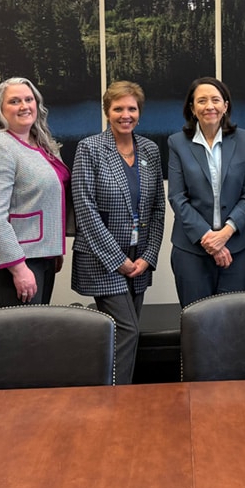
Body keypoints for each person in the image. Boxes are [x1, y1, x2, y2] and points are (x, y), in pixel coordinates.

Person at [71, 81, 165, 384]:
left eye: (132, 108)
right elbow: (84, 209)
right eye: (118, 108)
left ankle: (116, 392)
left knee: (126, 331)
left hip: (139, 259)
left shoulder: (149, 149)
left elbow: (157, 209)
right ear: (107, 112)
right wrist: (118, 259)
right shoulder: (90, 148)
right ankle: (117, 399)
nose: (126, 114)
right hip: (103, 260)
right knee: (127, 329)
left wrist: (148, 256)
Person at [0, 77, 70, 308]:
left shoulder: (41, 143)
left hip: (39, 253)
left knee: (34, 334)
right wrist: (18, 267)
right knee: (19, 338)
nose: (24, 106)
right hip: (9, 260)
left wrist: (52, 247)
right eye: (14, 101)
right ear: (0, 109)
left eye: (28, 99)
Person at [167, 77, 245, 307]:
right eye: (202, 100)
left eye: (216, 100)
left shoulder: (244, 139)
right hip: (191, 250)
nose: (210, 106)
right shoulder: (177, 143)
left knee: (232, 322)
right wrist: (208, 238)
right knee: (197, 322)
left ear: (225, 106)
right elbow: (177, 197)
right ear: (192, 108)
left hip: (236, 248)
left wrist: (224, 234)